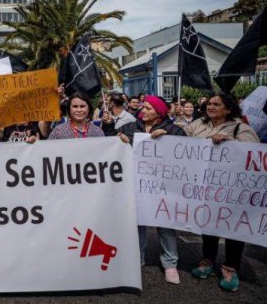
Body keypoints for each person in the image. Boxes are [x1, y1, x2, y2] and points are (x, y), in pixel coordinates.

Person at [186, 93, 259, 292]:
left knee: (233, 227)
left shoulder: (240, 128)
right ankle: (207, 260)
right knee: (208, 224)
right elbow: (179, 141)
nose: (211, 106)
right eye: (209, 103)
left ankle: (230, 267)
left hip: (232, 190)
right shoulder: (197, 126)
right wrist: (163, 134)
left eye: (216, 104)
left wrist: (230, 142)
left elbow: (255, 153)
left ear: (228, 108)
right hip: (205, 187)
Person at [110, 95, 186, 285]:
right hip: (135, 184)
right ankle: (138, 259)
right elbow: (111, 144)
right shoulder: (130, 127)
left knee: (165, 226)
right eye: (143, 107)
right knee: (137, 225)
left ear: (159, 113)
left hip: (163, 187)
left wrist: (168, 139)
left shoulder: (174, 130)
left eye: (148, 108)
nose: (143, 111)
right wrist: (120, 139)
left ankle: (170, 264)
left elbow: (185, 150)